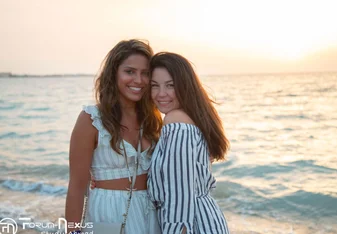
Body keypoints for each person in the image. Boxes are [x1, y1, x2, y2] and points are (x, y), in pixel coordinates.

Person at [65, 39, 162, 234]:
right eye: (130, 72)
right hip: (108, 211)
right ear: (114, 73)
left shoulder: (153, 119)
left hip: (151, 211)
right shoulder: (92, 119)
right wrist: (73, 231)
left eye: (145, 73)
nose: (139, 80)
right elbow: (77, 186)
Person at [147, 52, 231, 234]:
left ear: (185, 86)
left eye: (170, 85)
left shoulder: (176, 121)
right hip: (206, 220)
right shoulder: (192, 118)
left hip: (194, 225)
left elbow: (179, 196)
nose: (161, 94)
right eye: (154, 86)